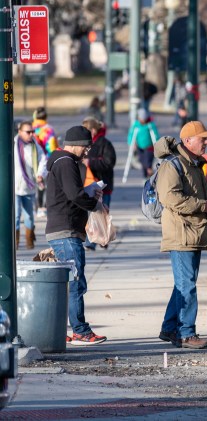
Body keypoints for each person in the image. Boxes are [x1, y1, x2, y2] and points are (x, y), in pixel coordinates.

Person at [155, 120, 207, 349]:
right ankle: (186, 334)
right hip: (181, 233)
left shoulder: (194, 164)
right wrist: (202, 205)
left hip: (193, 232)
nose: (206, 143)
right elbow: (170, 198)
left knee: (183, 284)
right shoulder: (173, 164)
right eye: (202, 139)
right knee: (187, 286)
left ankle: (169, 328)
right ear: (187, 141)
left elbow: (197, 195)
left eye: (206, 139)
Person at [46, 125, 105, 345]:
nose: (87, 152)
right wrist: (93, 203)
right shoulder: (66, 162)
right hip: (66, 231)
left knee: (68, 285)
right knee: (76, 283)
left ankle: (58, 330)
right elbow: (74, 195)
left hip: (64, 230)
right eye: (86, 147)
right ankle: (80, 331)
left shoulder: (62, 162)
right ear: (76, 145)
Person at [81, 117, 117, 251]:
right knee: (91, 213)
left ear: (93, 130)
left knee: (102, 212)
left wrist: (90, 162)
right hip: (88, 184)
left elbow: (109, 162)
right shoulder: (85, 144)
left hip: (103, 185)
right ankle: (94, 240)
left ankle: (101, 238)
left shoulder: (105, 143)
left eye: (86, 130)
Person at [13, 120, 46, 250]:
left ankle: (29, 241)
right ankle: (14, 242)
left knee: (29, 217)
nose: (31, 134)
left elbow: (43, 160)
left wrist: (40, 174)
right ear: (20, 132)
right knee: (15, 216)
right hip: (15, 187)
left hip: (29, 187)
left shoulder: (34, 146)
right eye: (28, 132)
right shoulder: (13, 144)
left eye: (33, 131)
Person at [32, 107, 58, 218]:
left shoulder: (31, 128)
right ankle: (45, 207)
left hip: (33, 160)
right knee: (47, 184)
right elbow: (52, 147)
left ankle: (36, 207)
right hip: (46, 160)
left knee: (36, 184)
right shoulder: (48, 129)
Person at [128, 108, 159, 178]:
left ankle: (150, 174)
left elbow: (155, 135)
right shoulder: (136, 125)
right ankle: (145, 175)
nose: (142, 120)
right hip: (140, 147)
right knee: (142, 161)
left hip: (149, 147)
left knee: (148, 162)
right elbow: (131, 134)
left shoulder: (150, 125)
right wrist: (131, 143)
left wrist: (157, 143)